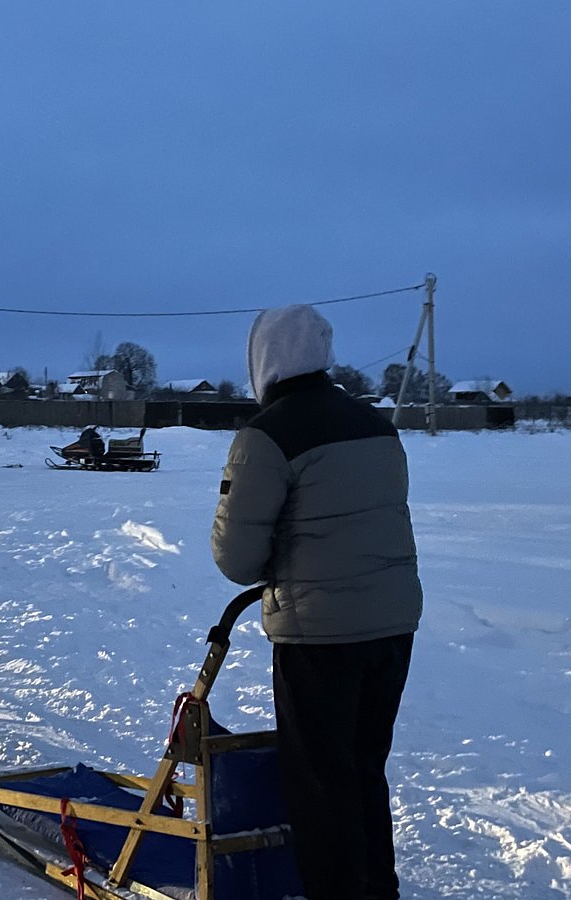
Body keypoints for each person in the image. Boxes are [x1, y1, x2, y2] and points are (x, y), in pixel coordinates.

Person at [210, 304, 422, 900]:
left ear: (264, 360)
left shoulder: (267, 435)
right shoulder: (377, 425)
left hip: (319, 633)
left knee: (320, 783)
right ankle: (378, 889)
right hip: (393, 624)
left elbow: (236, 558)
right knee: (362, 770)